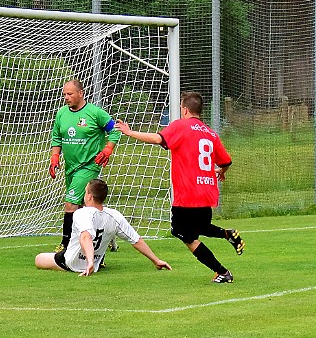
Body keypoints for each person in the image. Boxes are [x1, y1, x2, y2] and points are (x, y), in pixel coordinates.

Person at [116, 91, 245, 283]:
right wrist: (222, 171)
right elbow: (226, 161)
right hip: (207, 191)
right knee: (201, 226)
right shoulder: (210, 133)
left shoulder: (181, 126)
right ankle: (227, 234)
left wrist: (130, 132)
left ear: (184, 109)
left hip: (187, 193)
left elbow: (158, 139)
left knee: (183, 233)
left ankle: (222, 272)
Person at [35, 179, 172, 275]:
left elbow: (85, 237)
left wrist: (89, 262)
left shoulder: (81, 213)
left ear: (89, 196)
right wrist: (156, 260)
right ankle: (94, 262)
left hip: (72, 263)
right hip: (95, 264)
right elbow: (136, 240)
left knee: (39, 258)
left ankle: (85, 262)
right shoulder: (114, 215)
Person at [49, 79, 121, 253]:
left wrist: (108, 149)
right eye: (64, 94)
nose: (66, 97)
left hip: (89, 166)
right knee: (85, 208)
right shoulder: (61, 114)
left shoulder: (95, 113)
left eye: (70, 94)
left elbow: (116, 129)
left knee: (70, 205)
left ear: (81, 93)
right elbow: (57, 137)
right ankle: (108, 235)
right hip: (70, 167)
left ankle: (65, 246)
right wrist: (54, 157)